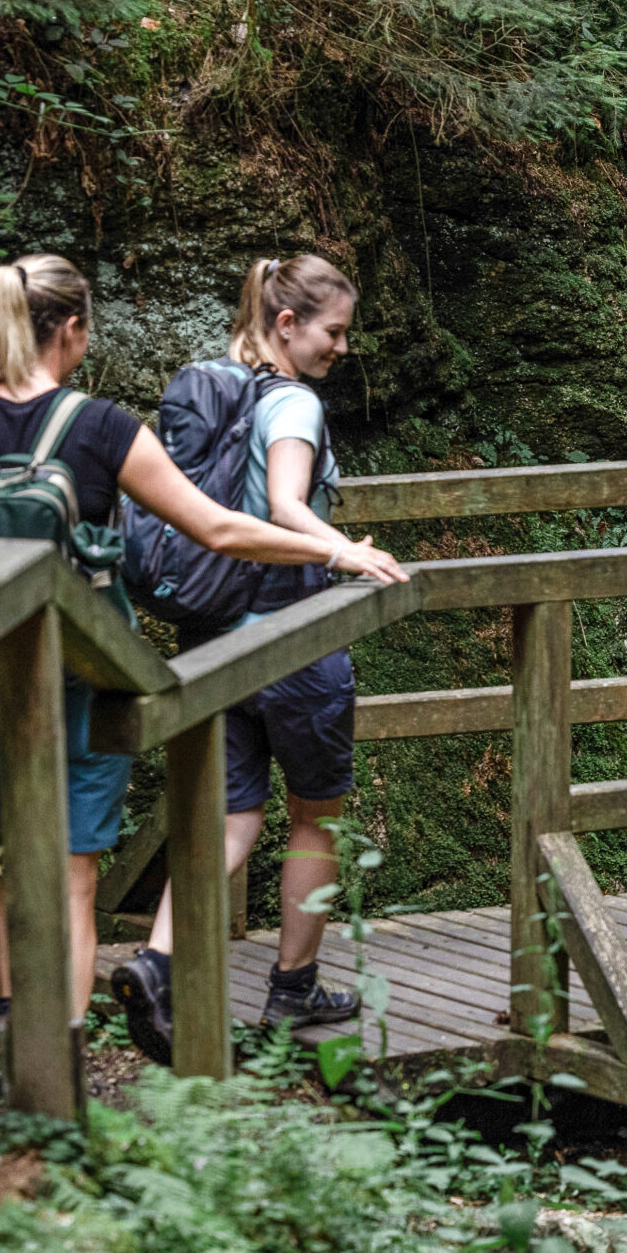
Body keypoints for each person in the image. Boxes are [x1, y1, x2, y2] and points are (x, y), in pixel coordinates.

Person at [0, 253, 408, 1083]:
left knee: (16, 859)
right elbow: (219, 529)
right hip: (82, 676)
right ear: (71, 330)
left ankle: (10, 1040)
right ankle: (51, 1070)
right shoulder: (99, 427)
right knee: (69, 876)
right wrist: (337, 550)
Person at [113, 255, 381, 1064]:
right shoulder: (292, 400)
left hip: (212, 637)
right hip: (291, 635)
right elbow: (286, 505)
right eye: (333, 332)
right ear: (288, 325)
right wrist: (351, 555)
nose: (341, 348)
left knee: (229, 818)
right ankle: (292, 988)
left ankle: (157, 964)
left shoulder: (207, 383)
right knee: (314, 815)